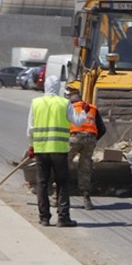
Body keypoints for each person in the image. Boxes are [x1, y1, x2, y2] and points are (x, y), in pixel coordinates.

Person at [27, 76, 90, 227]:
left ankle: (44, 218)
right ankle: (63, 218)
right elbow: (78, 122)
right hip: (59, 151)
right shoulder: (64, 103)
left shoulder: (36, 103)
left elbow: (30, 129)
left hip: (41, 150)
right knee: (62, 183)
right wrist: (84, 112)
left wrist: (31, 146)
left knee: (42, 184)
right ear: (58, 88)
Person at [68, 92, 106, 210]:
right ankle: (86, 199)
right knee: (85, 168)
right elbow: (103, 129)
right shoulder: (93, 108)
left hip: (74, 138)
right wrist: (93, 139)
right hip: (90, 139)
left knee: (63, 166)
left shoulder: (70, 108)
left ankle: (57, 196)